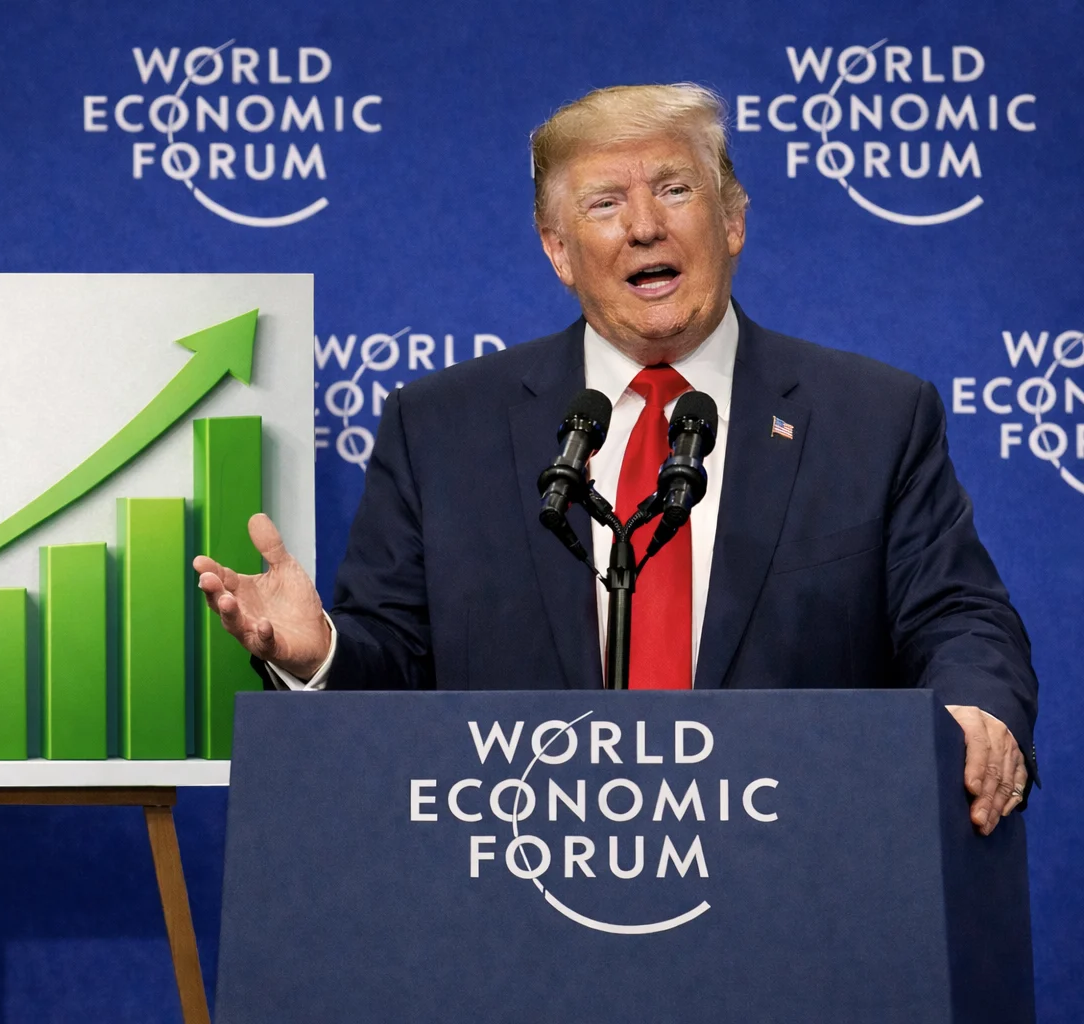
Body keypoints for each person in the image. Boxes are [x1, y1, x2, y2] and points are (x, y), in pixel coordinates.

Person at [192, 83, 1037, 837]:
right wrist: (319, 653)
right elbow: (394, 666)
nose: (644, 226)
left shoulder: (873, 418)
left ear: (732, 220)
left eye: (674, 189)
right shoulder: (442, 428)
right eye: (605, 203)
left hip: (797, 875)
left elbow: (957, 615)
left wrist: (978, 709)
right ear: (558, 251)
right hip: (520, 894)